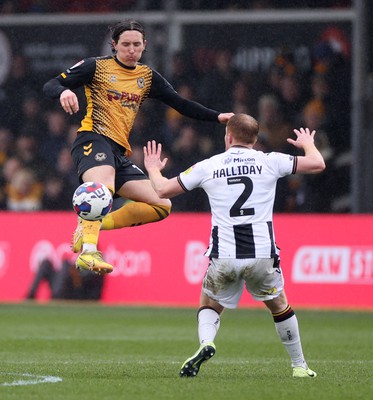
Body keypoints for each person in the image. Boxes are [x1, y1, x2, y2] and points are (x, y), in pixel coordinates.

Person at [43, 19, 234, 274]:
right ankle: (88, 253)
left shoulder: (146, 77)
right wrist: (63, 92)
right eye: (125, 44)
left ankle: (93, 225)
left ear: (144, 45)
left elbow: (179, 103)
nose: (131, 50)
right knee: (102, 190)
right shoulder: (96, 67)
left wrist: (217, 117)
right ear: (114, 45)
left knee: (162, 205)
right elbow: (51, 84)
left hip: (118, 153)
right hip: (93, 138)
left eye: (136, 45)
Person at [143, 113, 325, 378]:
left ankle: (206, 343)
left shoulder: (209, 165)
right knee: (279, 306)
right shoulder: (270, 161)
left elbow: (162, 190)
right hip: (262, 254)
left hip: (224, 255)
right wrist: (307, 142)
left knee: (209, 304)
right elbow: (318, 163)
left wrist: (152, 168)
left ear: (228, 136)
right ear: (255, 138)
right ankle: (299, 366)